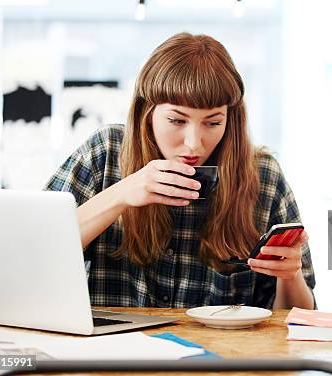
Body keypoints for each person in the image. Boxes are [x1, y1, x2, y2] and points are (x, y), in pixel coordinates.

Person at [44, 32, 316, 309]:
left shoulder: (263, 175)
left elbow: (300, 320)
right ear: (147, 112)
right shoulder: (106, 151)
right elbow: (37, 251)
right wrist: (121, 194)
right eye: (176, 120)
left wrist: (290, 276)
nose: (193, 143)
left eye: (212, 123)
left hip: (222, 351)